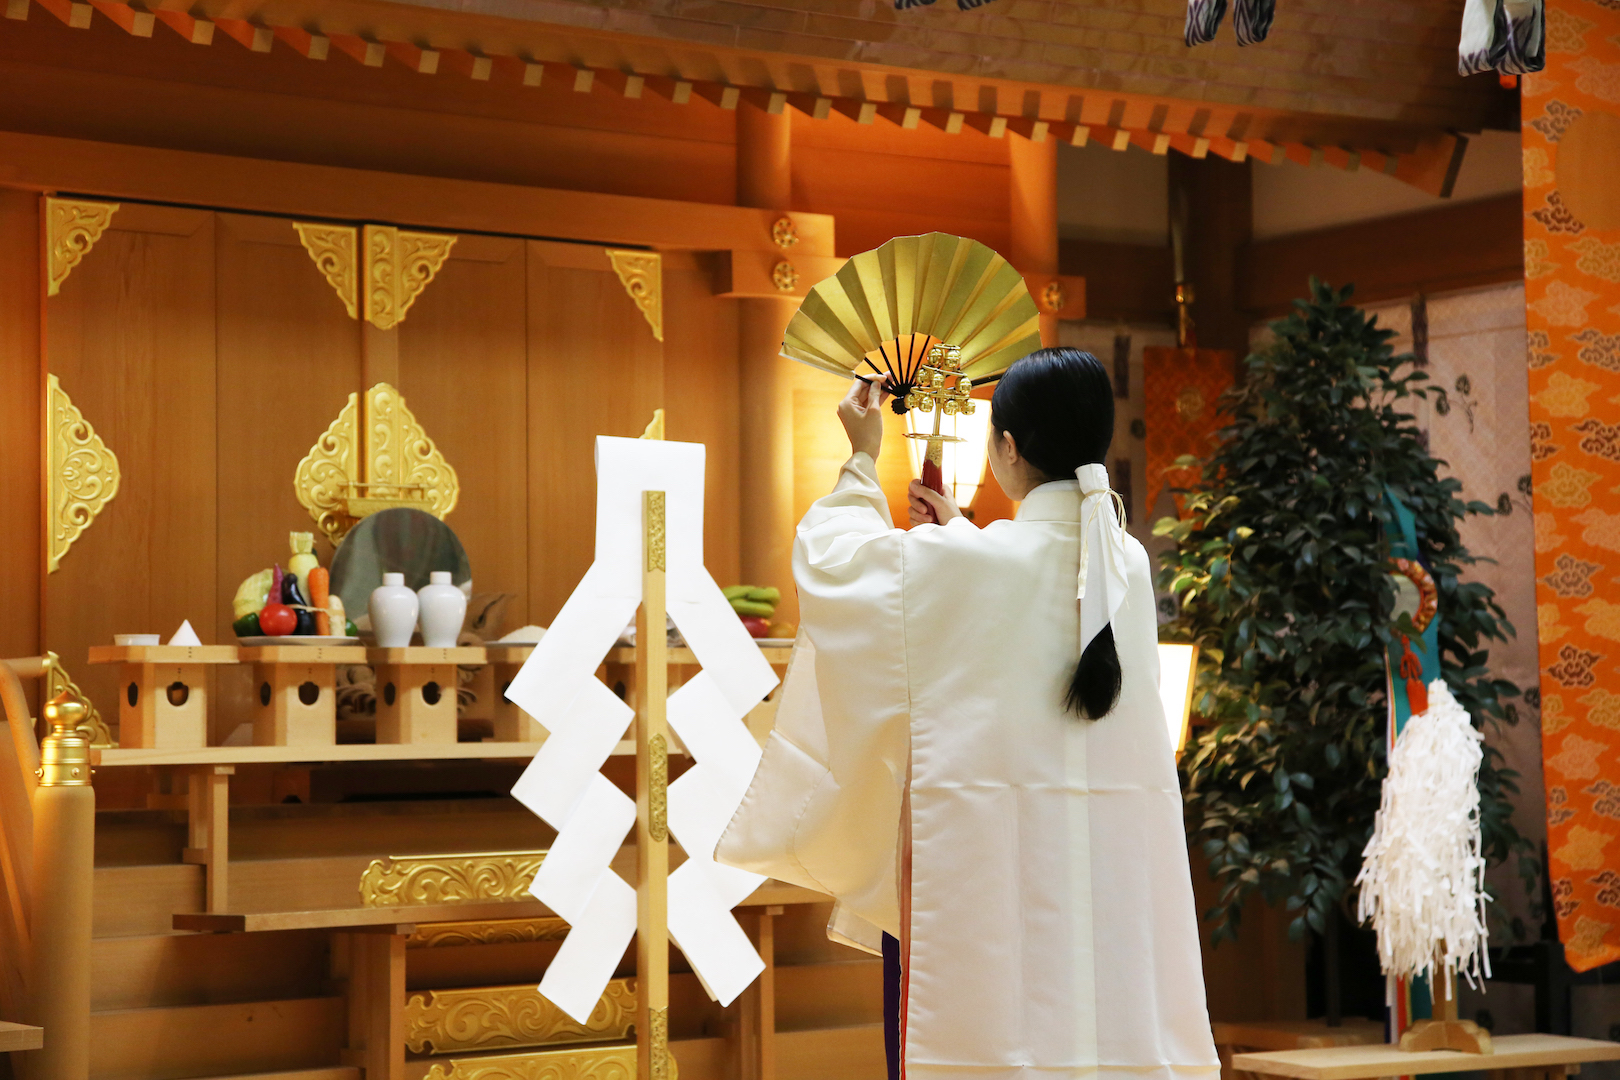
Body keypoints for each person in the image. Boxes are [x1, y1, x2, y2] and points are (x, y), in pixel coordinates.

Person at [717, 348, 1220, 1080]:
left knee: (1003, 1036)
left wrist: (862, 461)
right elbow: (1028, 580)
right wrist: (960, 531)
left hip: (992, 869)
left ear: (1008, 448)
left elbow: (832, 565)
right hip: (1107, 872)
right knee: (1104, 1034)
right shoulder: (1126, 563)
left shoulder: (980, 563)